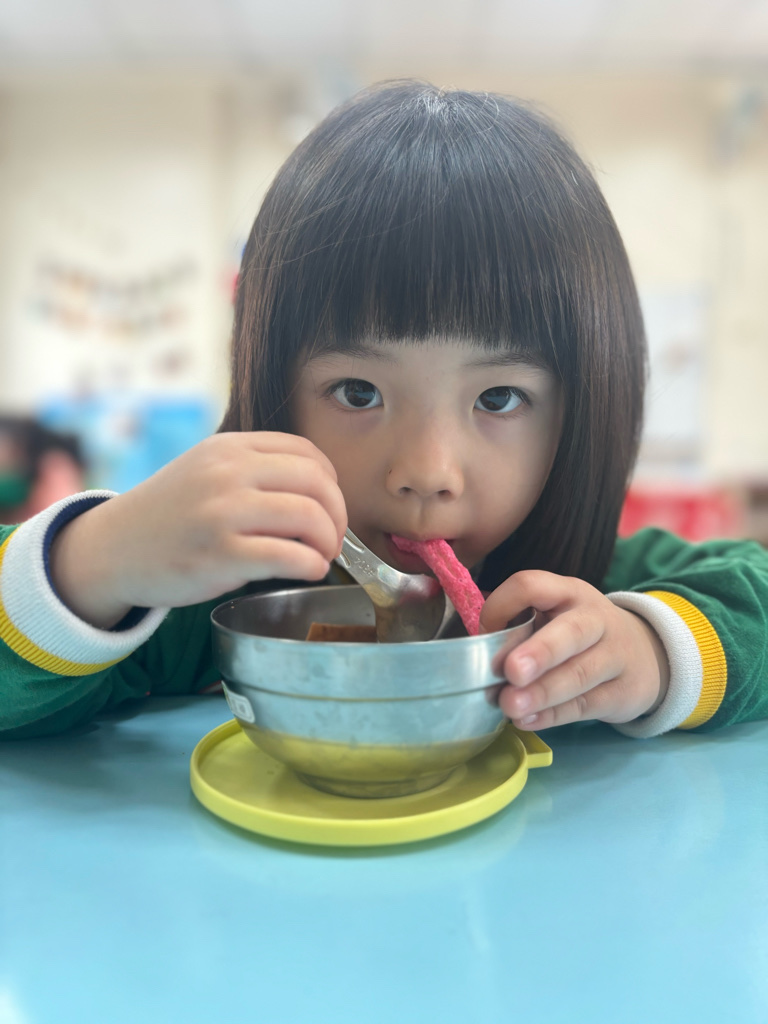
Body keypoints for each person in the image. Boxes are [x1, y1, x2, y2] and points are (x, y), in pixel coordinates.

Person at [1, 81, 767, 741]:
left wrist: (654, 652)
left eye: (498, 398)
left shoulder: (594, 588)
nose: (427, 471)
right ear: (275, 394)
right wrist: (94, 564)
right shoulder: (206, 599)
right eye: (359, 392)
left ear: (581, 414)